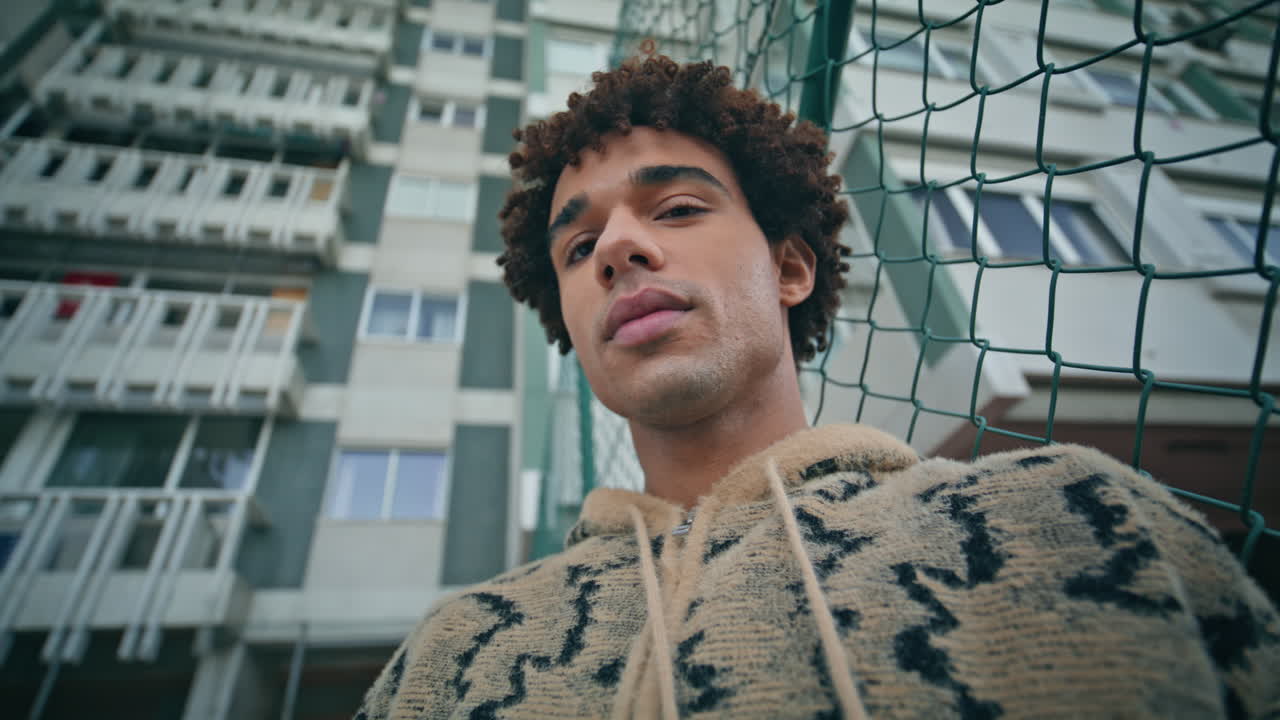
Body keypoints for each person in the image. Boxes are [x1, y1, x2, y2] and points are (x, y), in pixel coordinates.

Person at [356, 56, 1279, 719]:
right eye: (577, 245)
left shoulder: (1085, 521)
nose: (619, 250)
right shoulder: (451, 659)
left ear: (791, 268)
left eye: (677, 208)